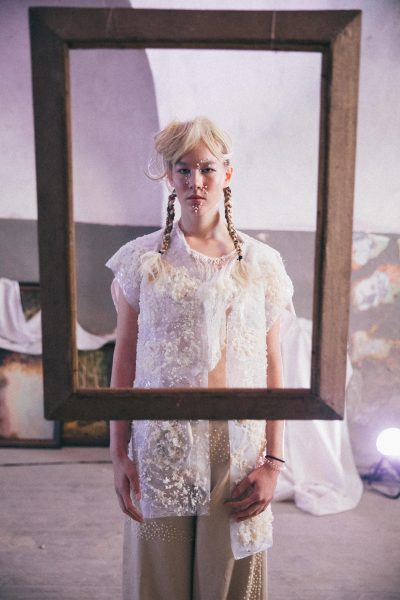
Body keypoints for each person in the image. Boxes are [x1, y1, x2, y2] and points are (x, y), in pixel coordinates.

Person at [106, 116, 294, 599]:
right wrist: (118, 453)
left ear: (227, 173)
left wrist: (274, 461)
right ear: (169, 177)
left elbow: (274, 364)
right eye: (183, 169)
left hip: (238, 446)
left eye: (207, 168)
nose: (196, 182)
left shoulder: (262, 264)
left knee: (228, 583)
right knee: (157, 580)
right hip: (160, 442)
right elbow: (124, 361)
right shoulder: (140, 259)